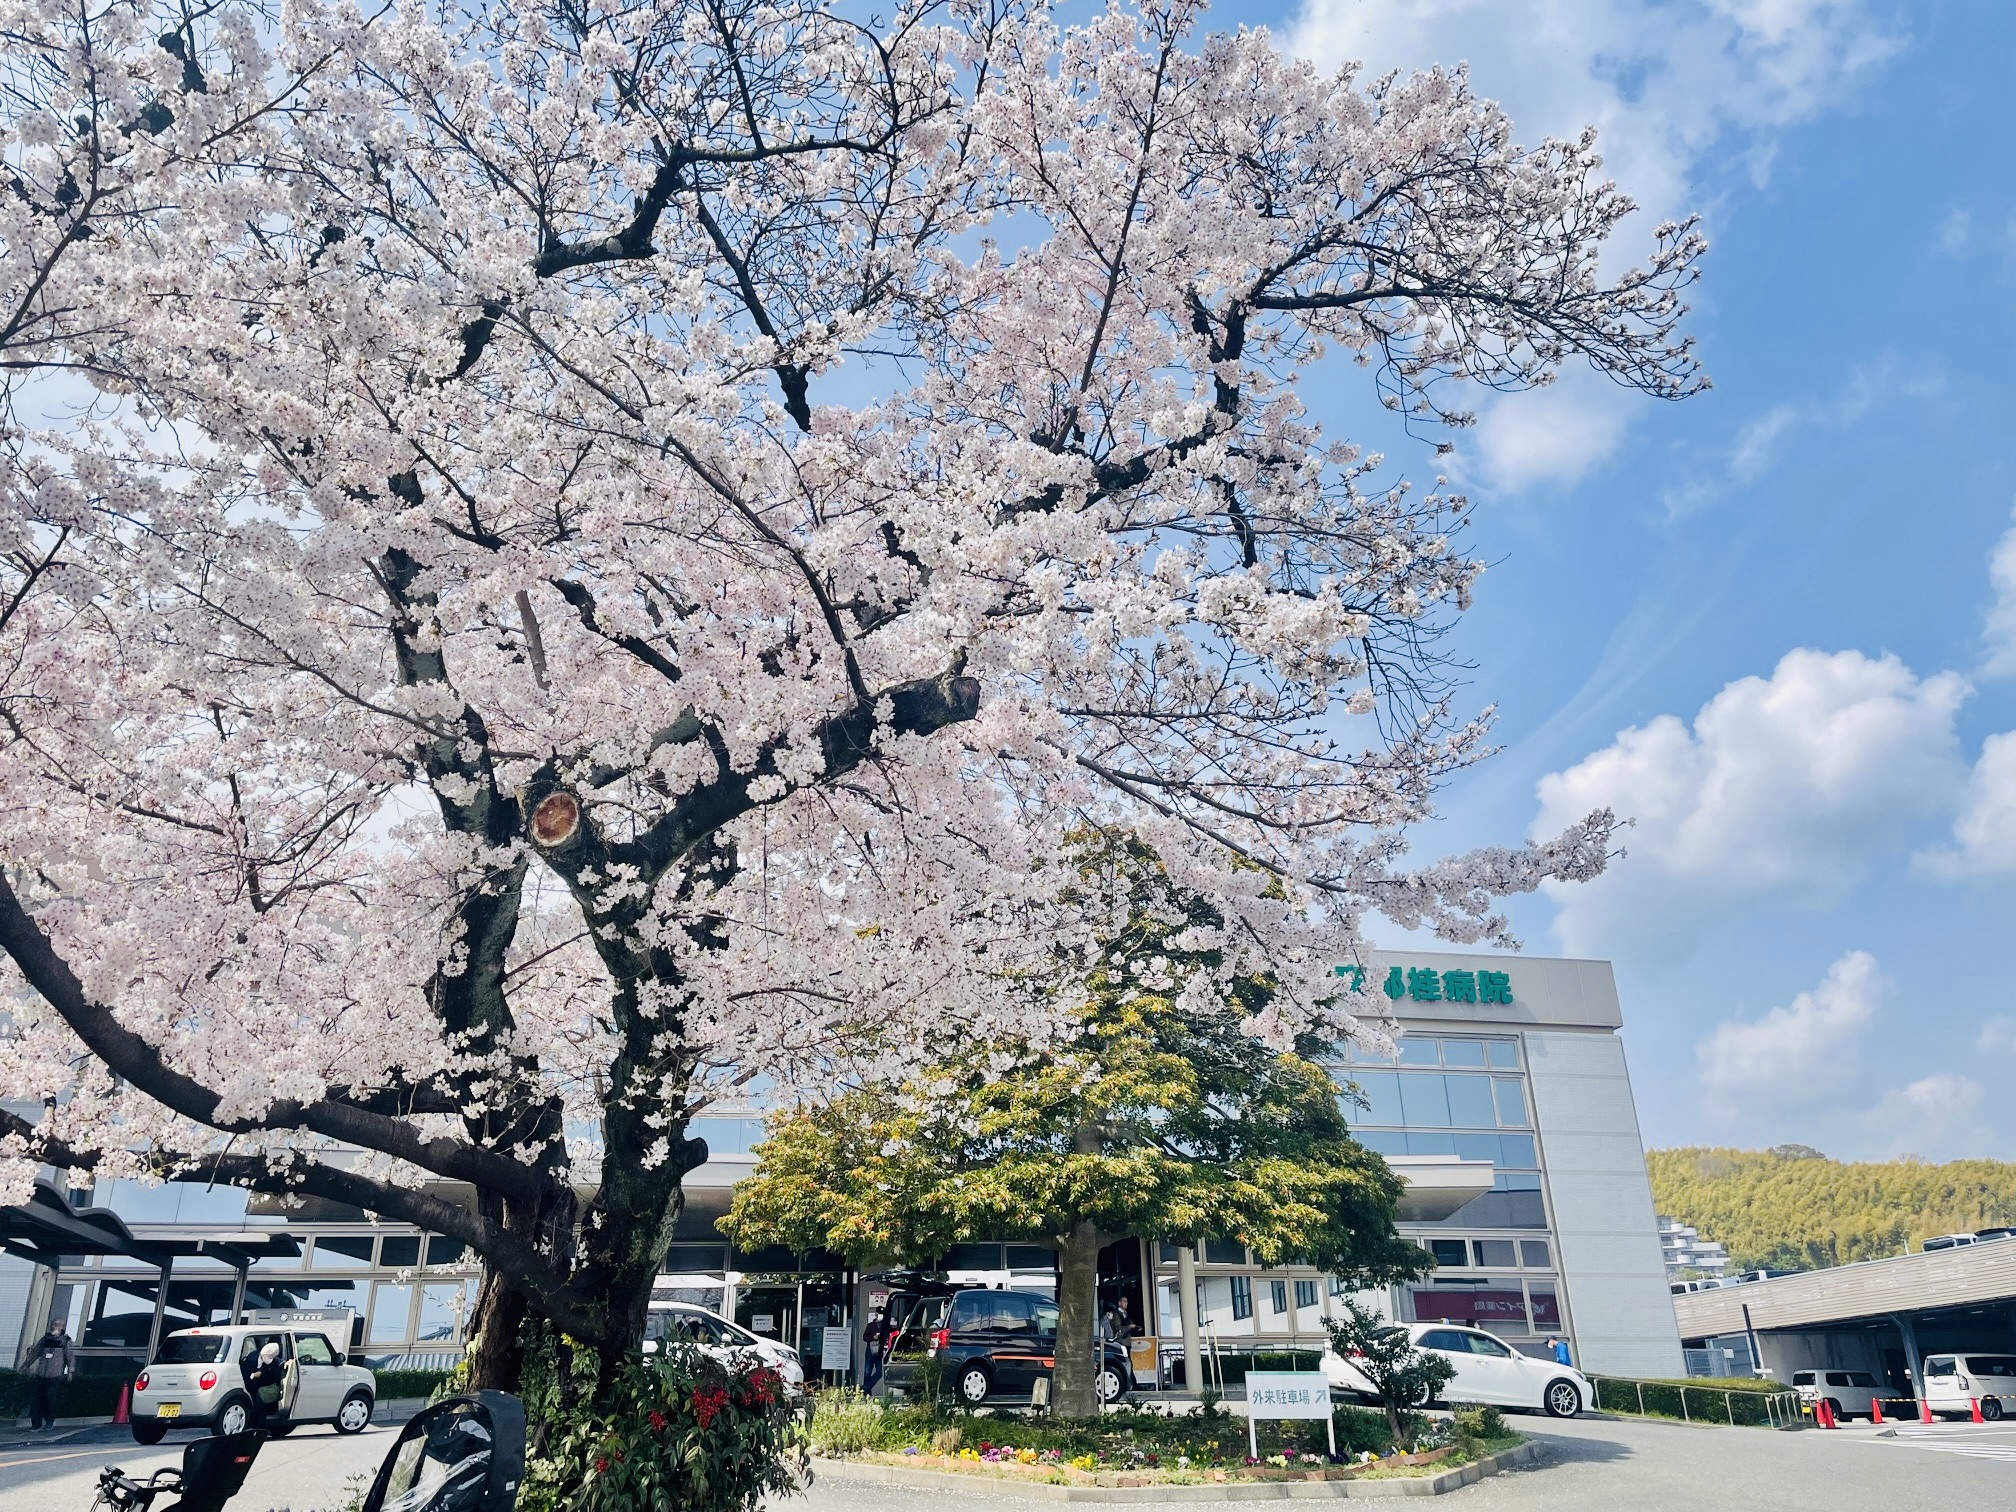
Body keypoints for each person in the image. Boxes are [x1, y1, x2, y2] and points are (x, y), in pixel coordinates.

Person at [25, 1316, 74, 1431]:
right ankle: (36, 1423)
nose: (56, 1327)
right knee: (37, 1399)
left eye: (59, 1325)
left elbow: (70, 1357)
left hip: (55, 1375)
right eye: (54, 1324)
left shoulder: (65, 1340)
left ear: (62, 1328)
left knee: (50, 1399)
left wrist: (70, 1371)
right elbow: (35, 1352)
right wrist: (27, 1365)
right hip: (41, 1373)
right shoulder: (45, 1339)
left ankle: (49, 1422)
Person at [244, 1340, 286, 1429]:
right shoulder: (252, 1359)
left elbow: (277, 1361)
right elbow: (245, 1375)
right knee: (258, 1406)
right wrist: (253, 1375)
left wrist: (285, 1364)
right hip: (250, 1387)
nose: (271, 1358)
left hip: (262, 1386)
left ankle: (260, 1427)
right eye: (270, 1357)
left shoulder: (271, 1359)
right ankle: (255, 1428)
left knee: (263, 1406)